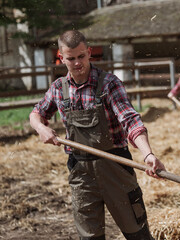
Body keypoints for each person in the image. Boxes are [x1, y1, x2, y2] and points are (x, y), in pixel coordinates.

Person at [29, 30, 165, 240]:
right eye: (71, 58)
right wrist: (41, 128)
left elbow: (130, 120)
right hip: (81, 174)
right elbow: (36, 113)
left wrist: (148, 154)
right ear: (61, 57)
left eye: (81, 56)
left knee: (137, 234)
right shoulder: (58, 88)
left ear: (89, 52)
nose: (77, 63)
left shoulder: (109, 84)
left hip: (115, 167)